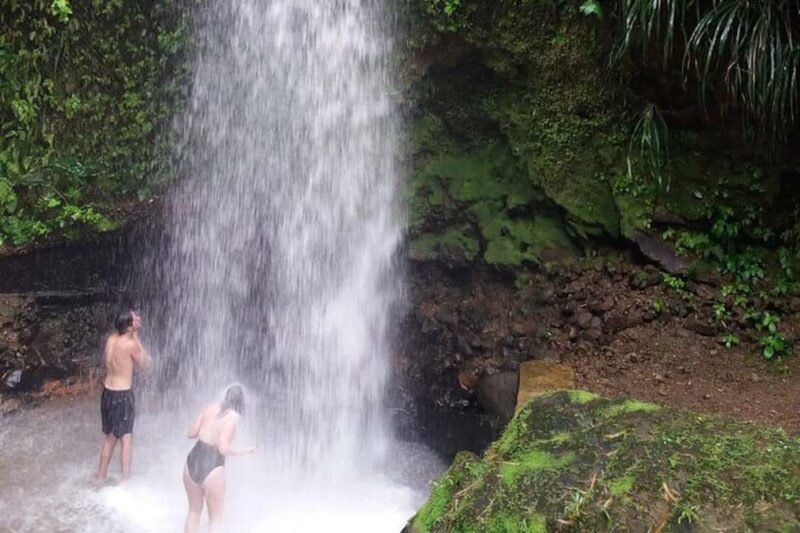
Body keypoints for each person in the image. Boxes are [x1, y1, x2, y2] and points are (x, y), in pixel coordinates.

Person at [183, 384, 257, 533]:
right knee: (216, 519)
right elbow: (223, 448)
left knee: (194, 511)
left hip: (192, 460)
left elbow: (191, 433)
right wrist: (245, 451)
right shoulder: (233, 418)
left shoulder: (210, 408)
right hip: (213, 463)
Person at [95, 310, 151, 484]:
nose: (139, 319)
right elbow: (147, 365)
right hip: (122, 395)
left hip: (107, 392)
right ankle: (126, 481)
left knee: (110, 437)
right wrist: (137, 341)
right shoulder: (130, 344)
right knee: (126, 438)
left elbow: (108, 362)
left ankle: (100, 477)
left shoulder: (111, 340)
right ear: (128, 327)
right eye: (135, 319)